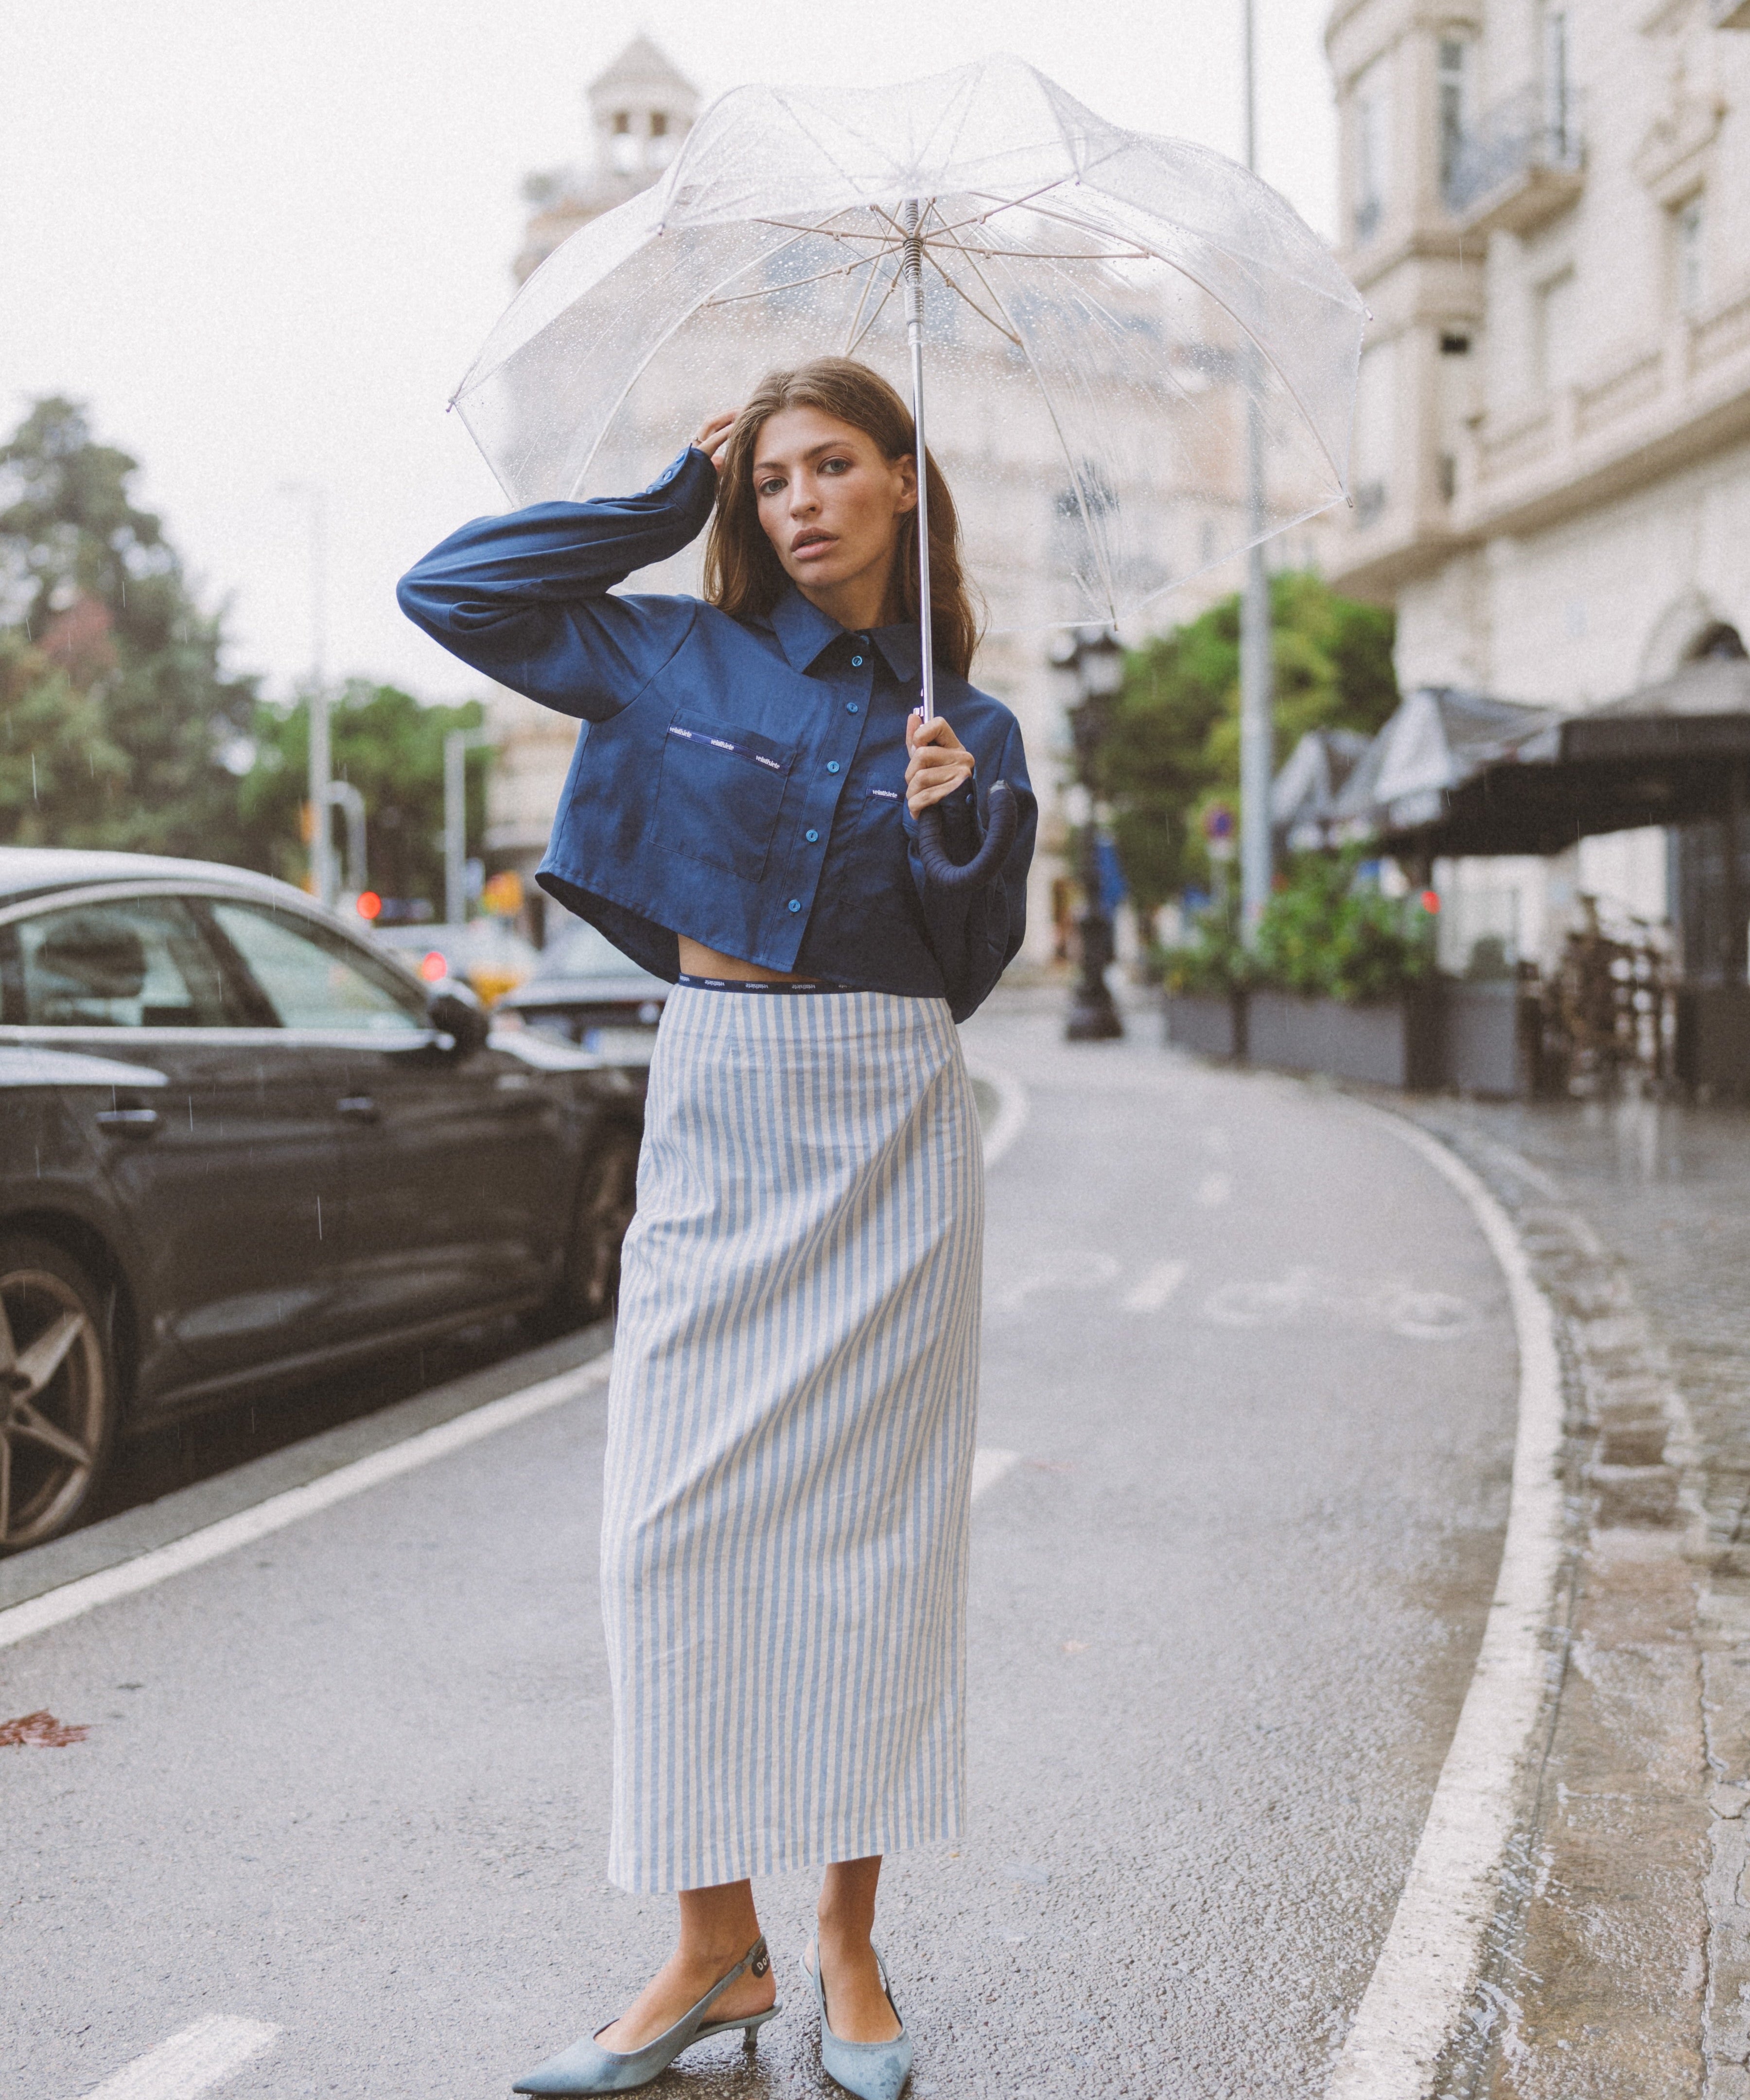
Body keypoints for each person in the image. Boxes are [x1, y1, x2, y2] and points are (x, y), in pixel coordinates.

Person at [398, 355, 1035, 2099]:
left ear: (907, 482)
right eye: (771, 480)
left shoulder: (965, 729)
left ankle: (843, 1939)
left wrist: (955, 825)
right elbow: (449, 592)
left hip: (890, 1113)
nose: (801, 501)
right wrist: (663, 506)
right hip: (719, 1098)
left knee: (876, 1550)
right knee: (664, 1539)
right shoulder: (664, 649)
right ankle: (711, 1944)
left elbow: (973, 972)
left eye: (834, 466)